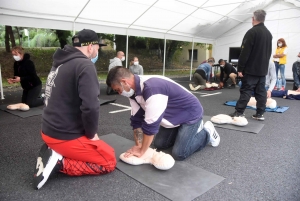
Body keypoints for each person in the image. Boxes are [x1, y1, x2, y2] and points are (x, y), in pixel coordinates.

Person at [33, 29, 116, 190]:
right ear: (90, 47)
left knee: (104, 149)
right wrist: (91, 135)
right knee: (109, 160)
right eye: (97, 47)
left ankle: (54, 151)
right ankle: (59, 162)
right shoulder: (85, 65)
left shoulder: (60, 63)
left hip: (48, 131)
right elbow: (91, 107)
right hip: (63, 135)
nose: (98, 51)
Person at [106, 66, 220, 161]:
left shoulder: (152, 88)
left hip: (190, 114)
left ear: (124, 82)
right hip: (174, 115)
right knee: (160, 144)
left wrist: (142, 152)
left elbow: (151, 126)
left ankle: (207, 133)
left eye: (117, 89)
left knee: (179, 153)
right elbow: (136, 121)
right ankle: (181, 133)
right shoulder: (133, 92)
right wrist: (139, 145)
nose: (119, 93)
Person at [229, 9, 272, 121]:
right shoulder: (268, 34)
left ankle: (239, 112)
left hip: (251, 69)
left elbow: (244, 52)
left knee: (246, 90)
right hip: (262, 69)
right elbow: (269, 53)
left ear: (253, 18)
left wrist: (240, 68)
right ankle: (260, 114)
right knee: (261, 92)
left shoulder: (252, 32)